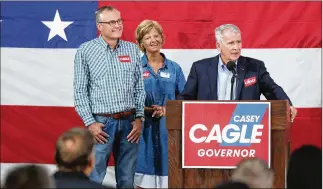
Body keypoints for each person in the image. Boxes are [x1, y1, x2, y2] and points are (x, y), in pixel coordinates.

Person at [73, 5, 145, 188]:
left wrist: (139, 118)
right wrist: (90, 123)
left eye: (119, 20)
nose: (118, 25)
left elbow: (139, 88)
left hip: (130, 123)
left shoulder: (131, 49)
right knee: (95, 176)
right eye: (112, 22)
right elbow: (80, 91)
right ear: (99, 26)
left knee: (127, 179)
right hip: (102, 124)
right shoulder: (86, 50)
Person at [180, 24, 297, 122]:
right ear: (218, 46)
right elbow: (186, 97)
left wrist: (288, 105)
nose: (236, 47)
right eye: (231, 43)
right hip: (208, 128)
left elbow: (272, 89)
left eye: (238, 42)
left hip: (243, 128)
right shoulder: (200, 68)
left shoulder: (255, 67)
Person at [134, 20, 186, 188]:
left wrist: (167, 110)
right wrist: (144, 109)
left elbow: (184, 99)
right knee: (142, 178)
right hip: (142, 131)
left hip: (168, 131)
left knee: (170, 179)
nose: (153, 40)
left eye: (156, 36)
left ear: (162, 39)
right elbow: (126, 98)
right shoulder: (134, 68)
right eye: (148, 37)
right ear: (141, 42)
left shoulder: (174, 69)